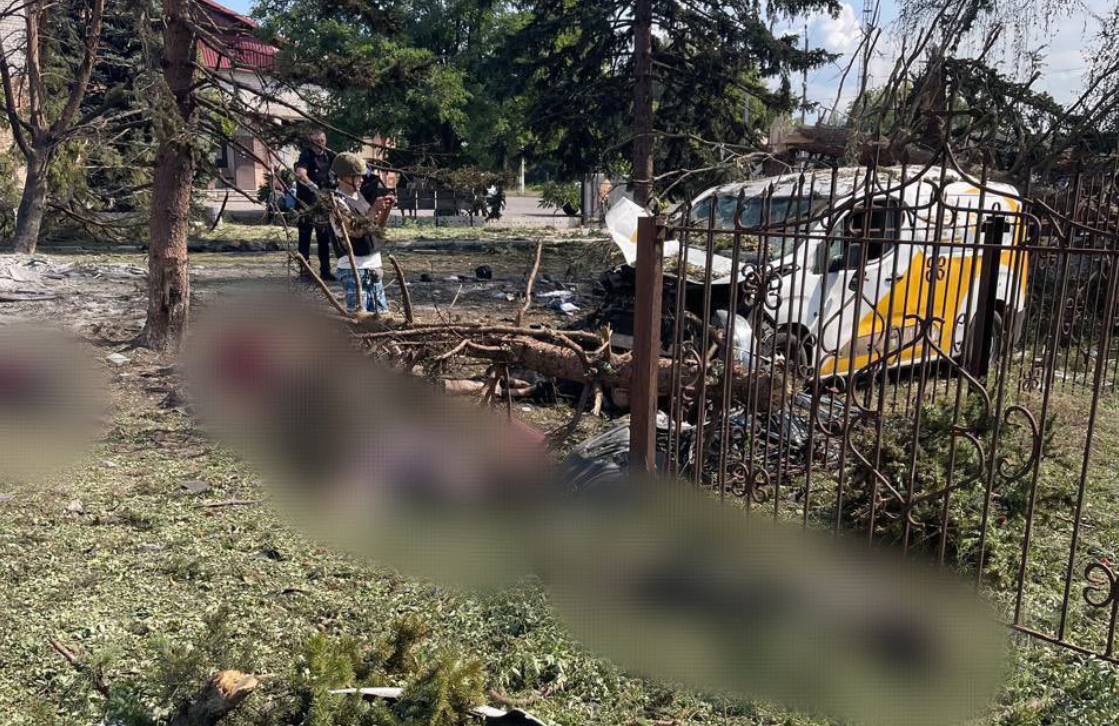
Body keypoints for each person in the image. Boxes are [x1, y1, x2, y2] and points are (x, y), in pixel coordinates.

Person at [329, 153, 397, 315]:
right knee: (358, 317)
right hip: (354, 269)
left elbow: (376, 228)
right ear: (344, 177)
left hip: (373, 266)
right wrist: (373, 210)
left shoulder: (359, 196)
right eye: (357, 176)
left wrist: (385, 209)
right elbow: (354, 231)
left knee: (382, 316)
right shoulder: (337, 202)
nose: (361, 180)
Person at [294, 129, 337, 281]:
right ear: (311, 142)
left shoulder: (329, 156)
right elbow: (301, 173)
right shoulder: (306, 155)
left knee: (324, 238)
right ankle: (305, 271)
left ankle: (325, 271)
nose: (320, 144)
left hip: (322, 203)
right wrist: (311, 185)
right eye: (316, 142)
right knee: (304, 238)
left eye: (322, 141)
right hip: (306, 203)